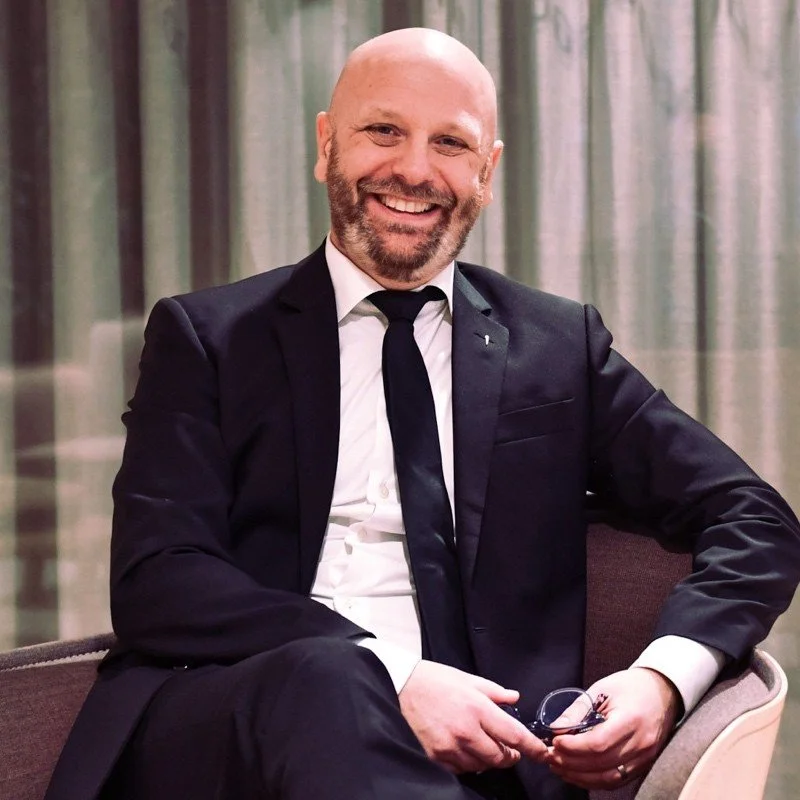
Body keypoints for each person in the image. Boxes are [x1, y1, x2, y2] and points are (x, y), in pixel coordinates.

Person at [45, 28, 800, 800]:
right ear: (325, 144)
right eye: (383, 131)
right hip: (238, 728)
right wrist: (391, 674)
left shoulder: (556, 346)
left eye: (450, 142)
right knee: (328, 675)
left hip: (490, 757)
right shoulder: (209, 339)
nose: (413, 169)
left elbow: (753, 517)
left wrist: (662, 677)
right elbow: (159, 578)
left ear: (488, 171)